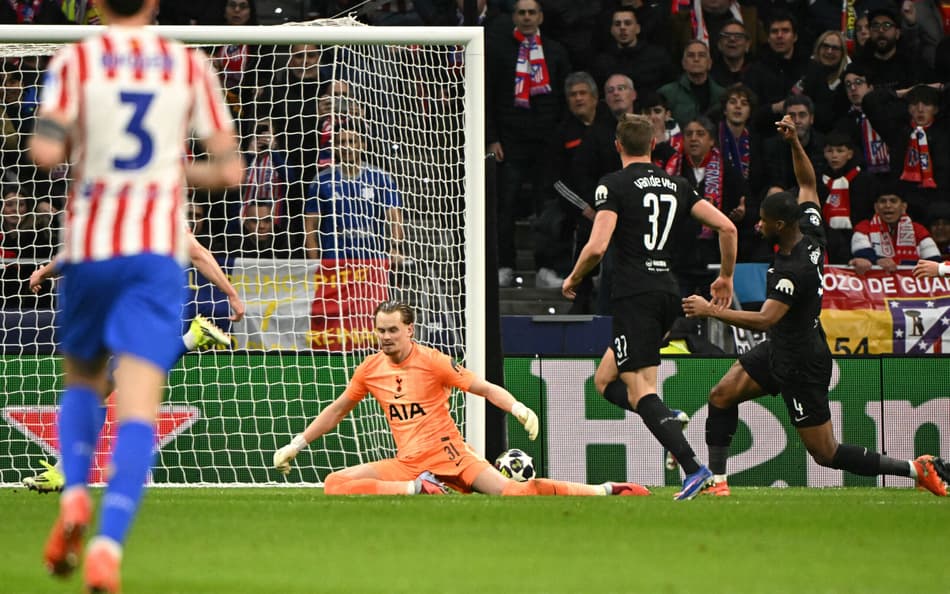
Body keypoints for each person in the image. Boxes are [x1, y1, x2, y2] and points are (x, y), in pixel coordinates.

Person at [28, 1, 242, 592]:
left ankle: (73, 496)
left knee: (83, 381)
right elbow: (229, 171)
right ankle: (107, 543)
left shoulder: (74, 61)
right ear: (153, 4)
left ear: (94, 5)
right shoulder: (188, 64)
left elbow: (44, 153)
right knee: (138, 408)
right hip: (153, 257)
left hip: (91, 250)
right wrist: (164, 173)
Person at [681, 115, 950, 498]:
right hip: (782, 347)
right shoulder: (810, 231)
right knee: (721, 395)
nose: (759, 226)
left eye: (763, 221)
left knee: (826, 453)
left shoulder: (791, 270)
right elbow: (808, 183)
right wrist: (794, 143)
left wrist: (711, 311)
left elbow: (764, 319)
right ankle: (717, 482)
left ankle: (915, 468)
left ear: (778, 224)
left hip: (801, 362)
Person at [273, 300, 650, 497]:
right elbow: (338, 410)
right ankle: (418, 489)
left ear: (410, 330)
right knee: (335, 483)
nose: (385, 337)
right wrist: (297, 443)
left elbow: (484, 388)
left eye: (392, 331)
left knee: (514, 493)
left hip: (453, 457)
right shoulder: (370, 369)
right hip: (409, 467)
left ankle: (605, 489)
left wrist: (517, 407)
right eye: (380, 331)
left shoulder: (434, 362)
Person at [561, 114, 738, 500]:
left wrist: (573, 278)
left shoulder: (613, 184)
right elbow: (728, 227)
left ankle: (696, 470)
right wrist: (725, 276)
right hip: (666, 293)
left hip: (634, 294)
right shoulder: (677, 185)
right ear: (654, 145)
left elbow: (597, 245)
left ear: (618, 145)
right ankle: (668, 420)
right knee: (605, 381)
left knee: (639, 390)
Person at [22, 234, 245, 494]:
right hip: (152, 299)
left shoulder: (114, 206)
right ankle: (190, 339)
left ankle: (68, 475)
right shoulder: (161, 209)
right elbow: (197, 252)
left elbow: (77, 251)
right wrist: (231, 293)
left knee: (99, 382)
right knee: (109, 383)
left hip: (117, 298)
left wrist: (44, 272)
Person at [849, 190, 942, 275]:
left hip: (910, 287)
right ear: (876, 207)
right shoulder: (864, 227)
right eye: (883, 201)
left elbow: (934, 260)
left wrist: (900, 266)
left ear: (903, 207)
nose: (888, 205)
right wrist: (877, 260)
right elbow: (862, 253)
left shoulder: (918, 229)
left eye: (893, 201)